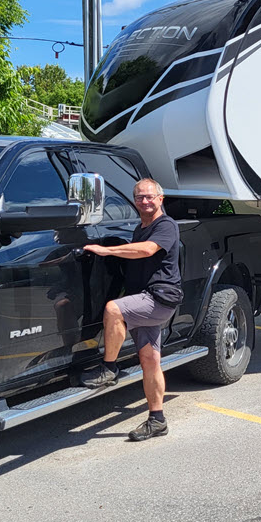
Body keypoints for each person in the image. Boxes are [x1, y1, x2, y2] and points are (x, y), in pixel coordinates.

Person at [79, 178, 183, 442]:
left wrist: (106, 251)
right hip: (144, 299)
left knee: (114, 309)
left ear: (160, 199)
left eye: (149, 197)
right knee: (150, 360)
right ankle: (157, 420)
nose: (144, 201)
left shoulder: (166, 225)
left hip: (159, 298)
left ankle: (109, 368)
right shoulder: (140, 228)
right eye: (139, 197)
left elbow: (147, 250)